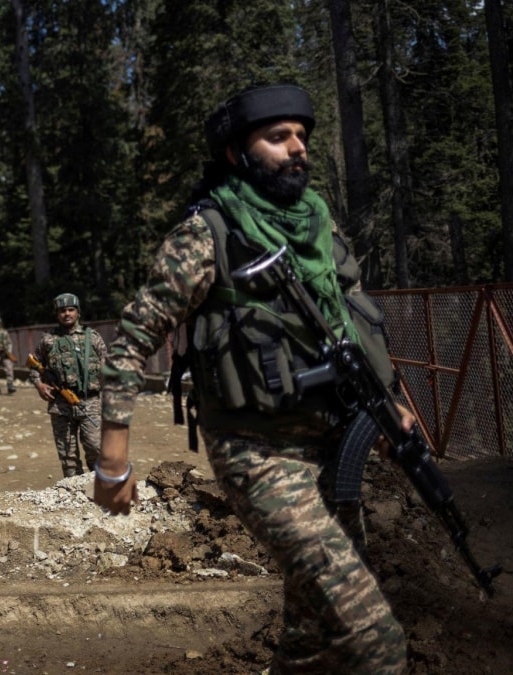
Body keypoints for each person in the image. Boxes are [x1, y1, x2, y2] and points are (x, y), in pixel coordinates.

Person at [94, 84, 413, 673]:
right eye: (278, 137)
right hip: (257, 453)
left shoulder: (319, 224)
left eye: (302, 136)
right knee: (377, 642)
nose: (298, 149)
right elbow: (133, 338)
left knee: (314, 629)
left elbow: (355, 323)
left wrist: (391, 405)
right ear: (237, 154)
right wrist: (114, 458)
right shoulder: (206, 235)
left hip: (332, 443)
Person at [27, 294, 106, 477]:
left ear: (78, 312)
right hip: (60, 404)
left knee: (96, 446)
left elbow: (106, 365)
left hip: (90, 401)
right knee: (67, 454)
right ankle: (74, 491)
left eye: (71, 310)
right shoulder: (48, 340)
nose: (67, 314)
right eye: (62, 311)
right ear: (57, 314)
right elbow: (34, 365)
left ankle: (100, 484)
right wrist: (39, 384)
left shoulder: (92, 338)